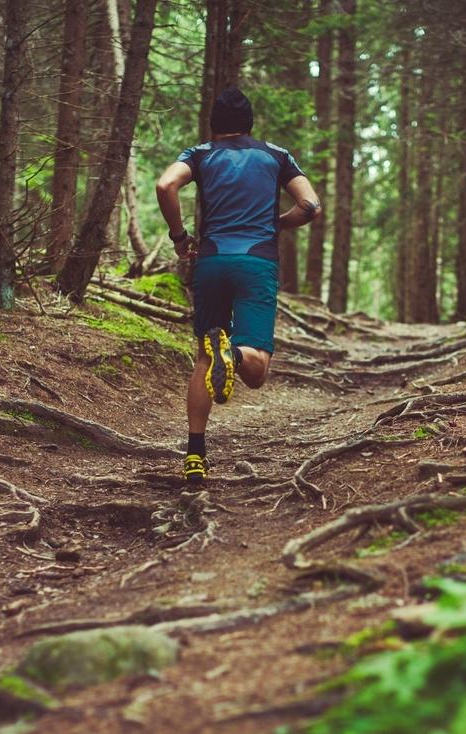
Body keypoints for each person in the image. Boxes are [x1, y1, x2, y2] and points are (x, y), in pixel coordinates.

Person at [155, 87, 322, 484]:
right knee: (256, 371)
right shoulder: (276, 155)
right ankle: (231, 350)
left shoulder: (198, 154)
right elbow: (311, 206)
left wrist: (180, 238)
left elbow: (165, 186)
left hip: (210, 262)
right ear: (250, 123)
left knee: (203, 358)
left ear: (214, 124)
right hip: (256, 262)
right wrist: (277, 222)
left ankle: (195, 455)